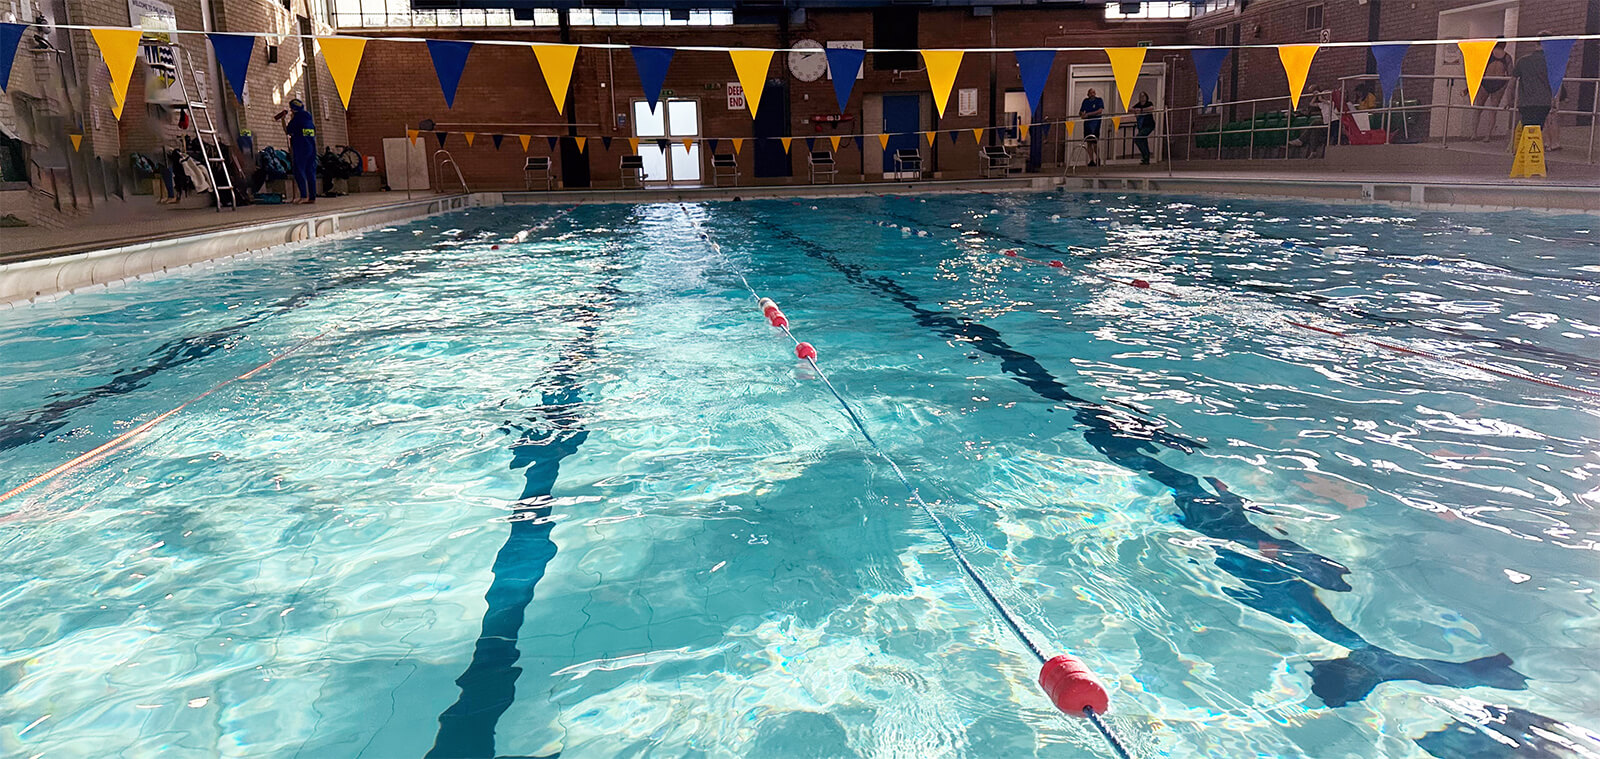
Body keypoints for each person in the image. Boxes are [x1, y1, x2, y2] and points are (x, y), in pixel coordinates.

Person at [277, 98, 317, 204]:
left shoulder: (296, 120)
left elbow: (287, 131)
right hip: (311, 148)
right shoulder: (309, 119)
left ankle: (303, 196)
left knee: (299, 171)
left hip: (300, 149)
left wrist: (283, 120)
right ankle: (312, 196)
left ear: (293, 110)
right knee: (310, 172)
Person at [1474, 42, 1513, 140]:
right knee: (1493, 110)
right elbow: (1510, 74)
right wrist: (1505, 86)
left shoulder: (1488, 54)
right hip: (1499, 82)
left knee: (1478, 109)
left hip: (1486, 81)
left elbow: (1480, 69)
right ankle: (1488, 135)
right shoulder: (1507, 57)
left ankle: (1473, 133)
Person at [1512, 37, 1553, 133]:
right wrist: (1555, 101)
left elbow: (1512, 82)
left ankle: (1527, 147)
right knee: (1538, 129)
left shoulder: (1522, 60)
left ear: (1536, 45)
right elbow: (1556, 83)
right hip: (1544, 102)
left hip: (1526, 102)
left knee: (1527, 129)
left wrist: (1509, 99)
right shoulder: (1551, 62)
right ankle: (1534, 146)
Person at [1079, 87, 1105, 167]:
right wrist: (1082, 114)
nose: (1092, 94)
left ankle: (1098, 157)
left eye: (1093, 92)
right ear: (1088, 94)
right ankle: (1091, 160)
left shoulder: (1099, 100)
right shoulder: (1085, 101)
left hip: (1095, 123)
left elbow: (1099, 111)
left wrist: (1088, 114)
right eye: (1091, 93)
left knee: (1095, 142)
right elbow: (1081, 111)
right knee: (1088, 142)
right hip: (1087, 123)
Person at [1129, 91, 1156, 165]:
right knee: (1143, 141)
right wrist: (1135, 110)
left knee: (1138, 139)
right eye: (1140, 96)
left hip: (1149, 125)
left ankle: (1146, 155)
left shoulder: (1149, 103)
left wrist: (1141, 110)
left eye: (1143, 96)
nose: (1142, 98)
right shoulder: (1138, 104)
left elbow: (1151, 108)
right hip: (1141, 125)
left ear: (1146, 97)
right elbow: (1129, 109)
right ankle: (1145, 158)